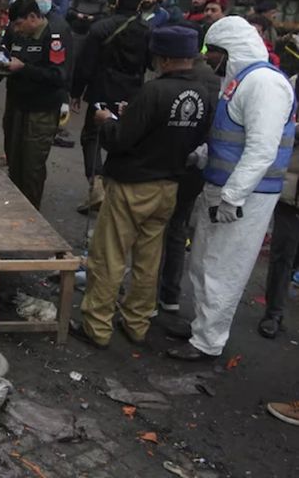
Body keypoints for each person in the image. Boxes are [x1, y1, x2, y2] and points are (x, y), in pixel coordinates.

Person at [71, 26, 216, 348]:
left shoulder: (153, 91)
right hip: (169, 187)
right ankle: (137, 324)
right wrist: (132, 118)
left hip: (132, 187)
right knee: (148, 260)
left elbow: (120, 140)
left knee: (109, 257)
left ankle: (97, 327)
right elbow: (193, 137)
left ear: (164, 58)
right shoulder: (203, 94)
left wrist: (107, 121)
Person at [167, 16, 296, 361]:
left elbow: (261, 149)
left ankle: (208, 342)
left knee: (224, 268)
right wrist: (202, 155)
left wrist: (233, 196)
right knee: (204, 262)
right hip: (223, 188)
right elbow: (230, 138)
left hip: (246, 197)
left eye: (212, 52)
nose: (208, 59)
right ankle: (201, 327)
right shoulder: (240, 81)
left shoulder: (264, 84)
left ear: (229, 50)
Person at [70, 0, 151, 214]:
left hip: (102, 90)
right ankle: (116, 191)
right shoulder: (147, 31)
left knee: (92, 136)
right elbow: (150, 63)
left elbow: (85, 64)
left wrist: (76, 92)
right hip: (132, 92)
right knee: (124, 137)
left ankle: (97, 184)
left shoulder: (101, 28)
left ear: (116, 2)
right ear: (139, 4)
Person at [0, 0, 72, 208]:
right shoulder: (16, 33)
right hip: (16, 105)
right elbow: (5, 53)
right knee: (14, 159)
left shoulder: (55, 35)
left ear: (33, 18)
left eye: (19, 24)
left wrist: (24, 68)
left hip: (41, 111)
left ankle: (30, 212)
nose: (16, 30)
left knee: (32, 165)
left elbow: (58, 76)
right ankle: (13, 206)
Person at [155, 56, 221, 315]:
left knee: (156, 230)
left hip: (173, 165)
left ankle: (148, 297)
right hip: (195, 169)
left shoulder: (186, 79)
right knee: (177, 229)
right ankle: (169, 294)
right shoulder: (214, 80)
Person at [259, 86, 299, 338]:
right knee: (283, 253)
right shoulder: (289, 88)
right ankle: (273, 312)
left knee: (291, 256)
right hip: (291, 194)